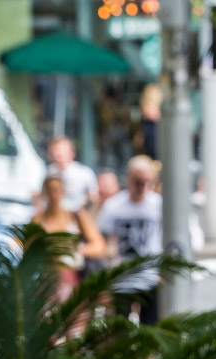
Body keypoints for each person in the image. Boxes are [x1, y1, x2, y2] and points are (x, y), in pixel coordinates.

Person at [97, 155, 163, 324]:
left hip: (150, 275)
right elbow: (104, 239)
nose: (142, 187)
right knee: (120, 326)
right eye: (138, 181)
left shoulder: (158, 205)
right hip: (123, 273)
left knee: (150, 326)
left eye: (147, 181)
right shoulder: (114, 206)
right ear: (128, 178)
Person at [32, 176, 107, 301]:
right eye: (50, 190)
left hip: (72, 277)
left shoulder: (75, 215)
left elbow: (99, 245)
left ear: (63, 191)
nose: (54, 194)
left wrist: (72, 250)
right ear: (45, 192)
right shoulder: (38, 220)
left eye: (57, 190)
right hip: (45, 279)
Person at [46, 136, 98, 212]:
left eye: (61, 150)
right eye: (54, 150)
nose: (57, 153)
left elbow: (93, 197)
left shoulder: (84, 172)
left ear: (72, 152)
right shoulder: (48, 171)